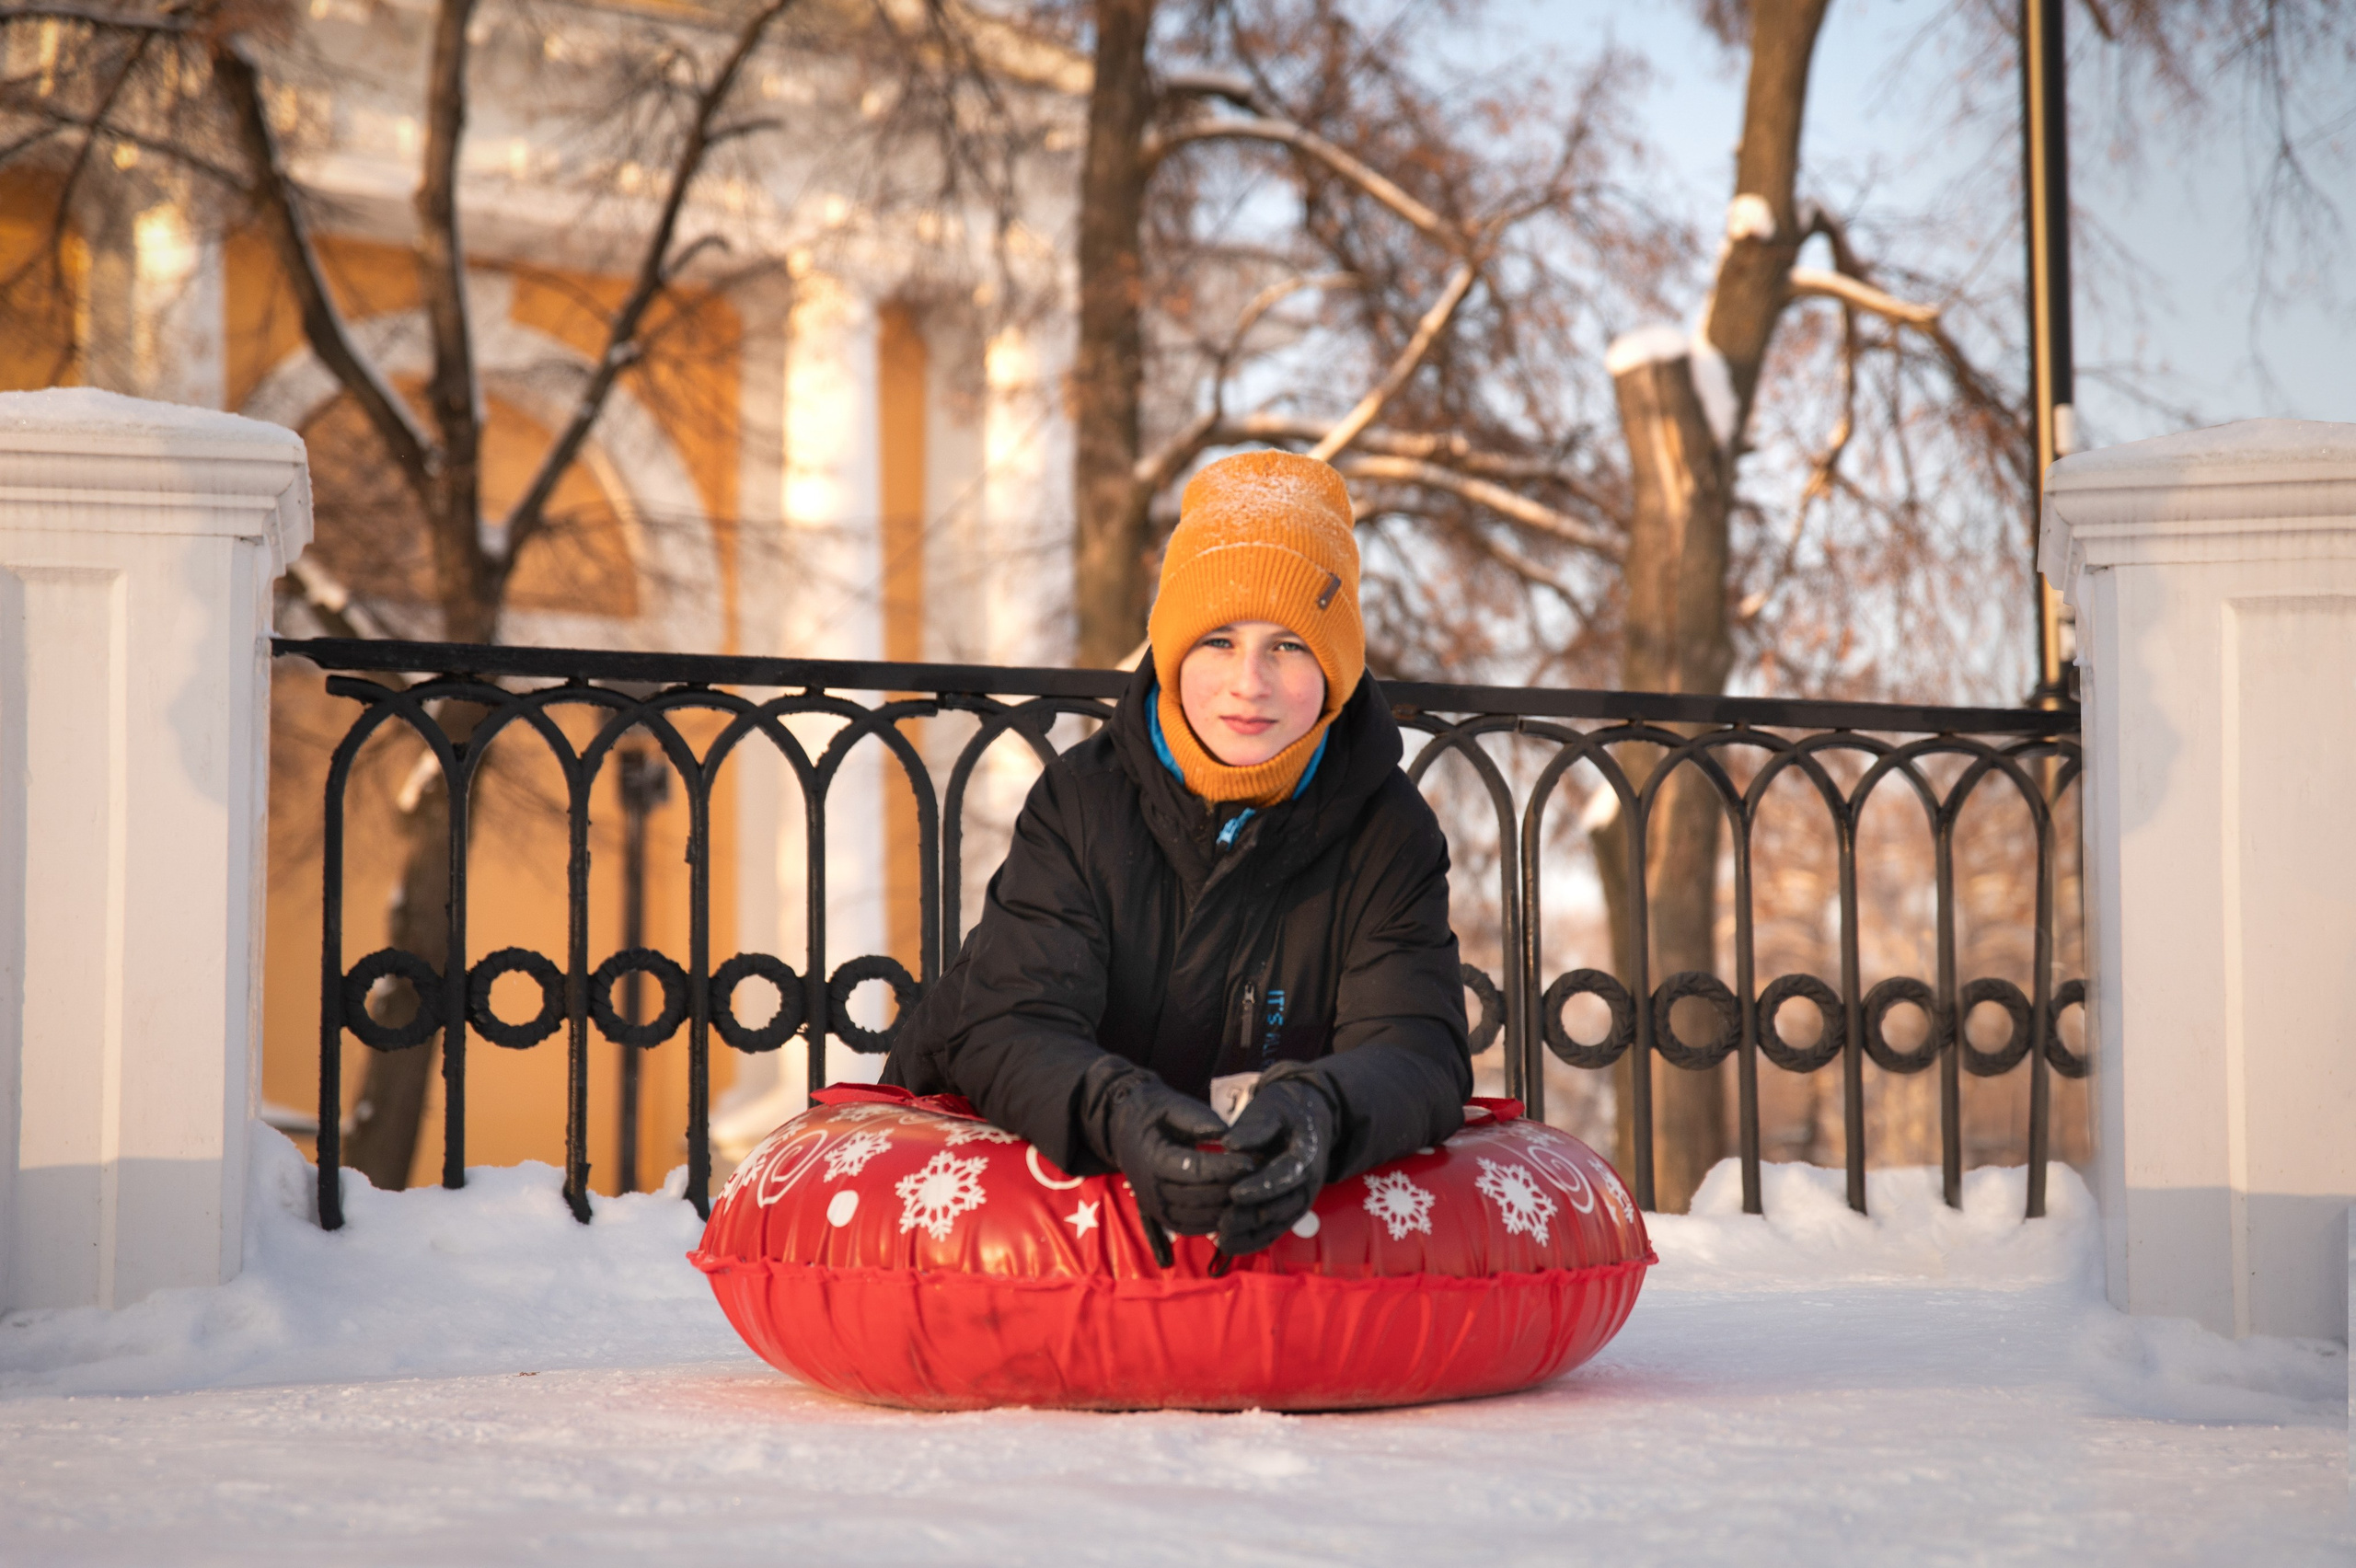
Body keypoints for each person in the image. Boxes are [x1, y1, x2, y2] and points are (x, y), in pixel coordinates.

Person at [882, 450, 1470, 1256]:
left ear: (1335, 669)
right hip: (1004, 1196)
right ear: (1173, 652)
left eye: (1289, 646)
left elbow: (1414, 1046)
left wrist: (1319, 1107)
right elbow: (1011, 1022)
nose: (1249, 683)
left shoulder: (1388, 833)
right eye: (1219, 640)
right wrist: (1118, 1109)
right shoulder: (1083, 802)